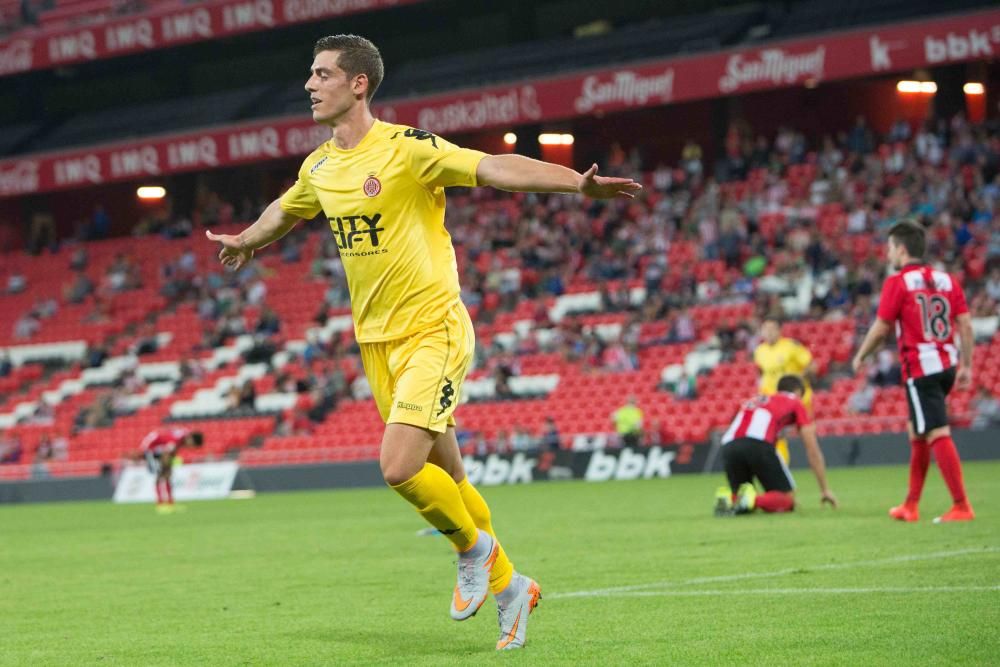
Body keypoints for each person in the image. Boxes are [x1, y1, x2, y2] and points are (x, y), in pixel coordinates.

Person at [205, 33, 640, 651]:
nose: (309, 84)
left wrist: (575, 184)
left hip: (432, 329)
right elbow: (287, 209)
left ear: (358, 83)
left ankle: (474, 549)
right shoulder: (320, 166)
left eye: (323, 74)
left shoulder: (408, 149)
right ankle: (513, 588)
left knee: (399, 467)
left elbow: (491, 168)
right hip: (375, 343)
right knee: (449, 476)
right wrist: (246, 240)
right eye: (310, 74)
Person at [852, 221, 975, 523]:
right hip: (947, 363)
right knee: (917, 431)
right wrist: (968, 366)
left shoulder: (898, 282)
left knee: (935, 432)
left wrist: (861, 355)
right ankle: (911, 504)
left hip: (921, 368)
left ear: (902, 249)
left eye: (891, 248)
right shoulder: (947, 280)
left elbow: (881, 328)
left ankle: (961, 505)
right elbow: (966, 325)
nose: (888, 253)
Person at [716, 375, 837, 515]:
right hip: (757, 443)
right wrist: (824, 489)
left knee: (744, 505)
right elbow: (812, 449)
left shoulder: (756, 400)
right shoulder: (795, 402)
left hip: (729, 446)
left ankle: (730, 499)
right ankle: (750, 500)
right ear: (797, 392)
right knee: (787, 499)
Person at [753, 318, 815, 464]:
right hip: (774, 400)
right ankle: (781, 470)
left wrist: (797, 380)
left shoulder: (791, 346)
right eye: (765, 329)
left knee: (808, 437)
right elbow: (762, 373)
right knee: (776, 436)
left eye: (772, 329)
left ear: (779, 330)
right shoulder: (759, 351)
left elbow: (812, 366)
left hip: (797, 399)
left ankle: (817, 468)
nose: (768, 332)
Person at [138, 428, 204, 514]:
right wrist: (168, 464)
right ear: (191, 439)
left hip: (160, 448)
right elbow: (166, 453)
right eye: (192, 445)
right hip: (151, 448)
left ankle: (170, 503)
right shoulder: (177, 439)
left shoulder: (184, 436)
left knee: (167, 474)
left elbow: (170, 451)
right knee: (161, 474)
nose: (190, 447)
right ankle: (161, 505)